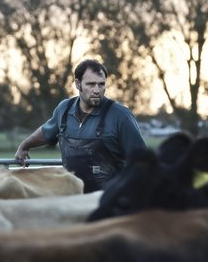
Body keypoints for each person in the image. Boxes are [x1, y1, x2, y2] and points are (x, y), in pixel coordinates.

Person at [14, 59, 147, 193]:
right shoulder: (64, 109)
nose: (97, 90)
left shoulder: (120, 115)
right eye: (91, 84)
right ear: (78, 84)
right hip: (71, 195)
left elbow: (141, 161)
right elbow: (45, 132)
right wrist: (25, 145)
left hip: (107, 199)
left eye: (101, 84)